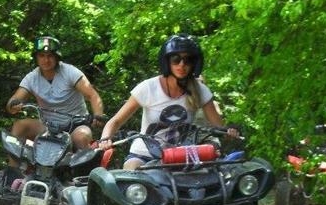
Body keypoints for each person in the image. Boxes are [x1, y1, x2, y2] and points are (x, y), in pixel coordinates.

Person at [98, 34, 239, 169]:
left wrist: (229, 132)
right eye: (176, 59)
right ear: (166, 62)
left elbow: (219, 128)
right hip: (146, 154)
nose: (182, 64)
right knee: (131, 174)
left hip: (182, 156)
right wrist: (105, 138)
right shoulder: (148, 88)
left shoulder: (200, 91)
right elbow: (116, 121)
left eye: (188, 60)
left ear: (195, 63)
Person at [6, 35, 104, 151]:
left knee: (81, 137)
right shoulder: (31, 78)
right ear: (36, 58)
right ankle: (14, 168)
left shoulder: (70, 72)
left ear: (57, 57)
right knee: (19, 126)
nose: (46, 60)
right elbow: (14, 101)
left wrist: (98, 115)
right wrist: (13, 105)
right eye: (41, 56)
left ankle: (86, 167)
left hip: (76, 125)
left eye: (50, 56)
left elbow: (92, 95)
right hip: (48, 127)